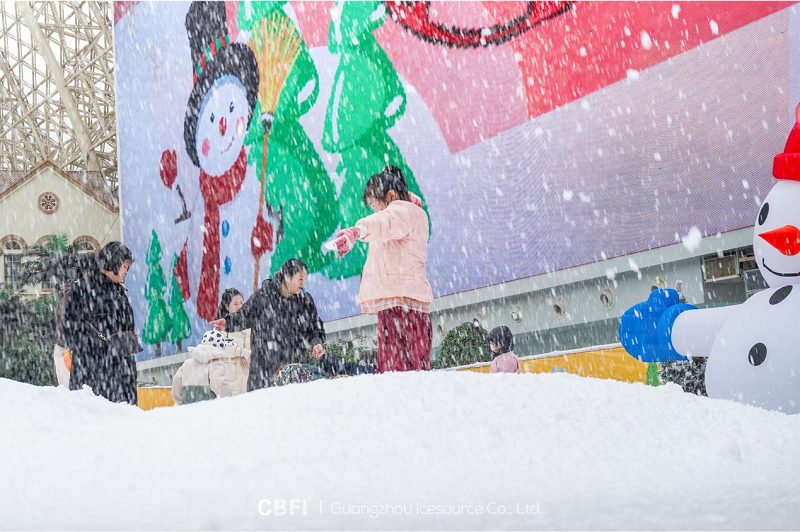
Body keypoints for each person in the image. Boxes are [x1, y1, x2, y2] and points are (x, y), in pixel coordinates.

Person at [334, 165, 433, 373]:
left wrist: (356, 231)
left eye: (375, 205)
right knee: (409, 371)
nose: (374, 211)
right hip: (403, 303)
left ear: (391, 195)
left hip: (402, 305)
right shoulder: (409, 213)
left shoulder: (401, 212)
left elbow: (382, 221)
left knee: (397, 372)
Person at [211, 258, 326, 391]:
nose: (303, 283)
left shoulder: (305, 300)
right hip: (263, 373)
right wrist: (227, 322)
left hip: (294, 371)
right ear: (288, 277)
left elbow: (314, 326)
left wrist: (316, 342)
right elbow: (243, 315)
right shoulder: (263, 296)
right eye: (300, 279)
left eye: (304, 279)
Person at [62, 242, 141, 404]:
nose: (126, 271)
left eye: (128, 267)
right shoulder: (86, 288)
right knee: (97, 422)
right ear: (114, 262)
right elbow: (70, 326)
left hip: (121, 371)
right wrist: (100, 347)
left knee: (125, 421)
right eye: (125, 266)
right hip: (95, 370)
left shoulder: (118, 290)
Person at [52, 252, 98, 388]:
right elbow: (63, 320)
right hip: (67, 350)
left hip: (71, 350)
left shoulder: (88, 291)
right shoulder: (74, 292)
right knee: (73, 396)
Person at [171, 329, 251, 405]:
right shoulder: (215, 363)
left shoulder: (187, 363)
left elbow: (176, 380)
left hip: (188, 403)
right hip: (207, 404)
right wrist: (228, 399)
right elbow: (219, 384)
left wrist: (179, 400)